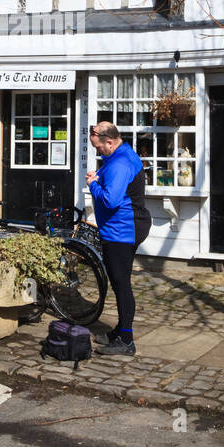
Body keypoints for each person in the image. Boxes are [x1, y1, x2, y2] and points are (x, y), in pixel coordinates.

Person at [86, 121, 151, 356]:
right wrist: (99, 176)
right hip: (122, 227)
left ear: (110, 142)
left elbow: (111, 200)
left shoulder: (120, 163)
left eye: (99, 148)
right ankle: (120, 331)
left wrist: (93, 184)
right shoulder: (119, 155)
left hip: (122, 230)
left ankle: (126, 340)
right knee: (119, 283)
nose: (98, 151)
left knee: (121, 284)